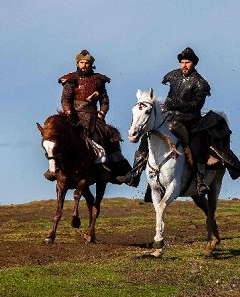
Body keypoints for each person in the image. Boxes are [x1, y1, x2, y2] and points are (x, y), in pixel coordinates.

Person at [117, 47, 213, 195]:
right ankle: (134, 173)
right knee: (148, 135)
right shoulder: (173, 76)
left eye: (188, 62)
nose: (184, 65)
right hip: (170, 117)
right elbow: (170, 96)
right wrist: (165, 107)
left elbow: (196, 105)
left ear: (194, 64)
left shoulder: (200, 82)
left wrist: (173, 105)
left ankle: (200, 181)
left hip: (191, 120)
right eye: (182, 62)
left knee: (197, 144)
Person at [43, 49, 130, 182]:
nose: (84, 65)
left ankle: (115, 171)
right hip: (74, 117)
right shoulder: (71, 80)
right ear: (77, 64)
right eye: (82, 62)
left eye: (87, 63)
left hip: (94, 117)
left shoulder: (98, 80)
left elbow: (105, 100)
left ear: (91, 64)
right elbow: (65, 99)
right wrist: (68, 111)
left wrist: (102, 112)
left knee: (110, 135)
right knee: (57, 138)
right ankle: (54, 169)